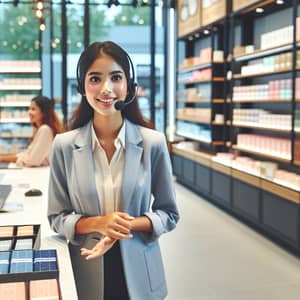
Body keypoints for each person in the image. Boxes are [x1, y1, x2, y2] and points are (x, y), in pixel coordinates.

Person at [47, 41, 179, 300]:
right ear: (82, 87)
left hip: (141, 270)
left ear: (128, 86)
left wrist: (124, 225)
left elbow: (169, 214)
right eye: (95, 78)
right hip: (87, 266)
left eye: (116, 77)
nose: (106, 89)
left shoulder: (152, 142)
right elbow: (57, 218)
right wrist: (99, 223)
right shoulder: (64, 146)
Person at [0, 95, 63, 167]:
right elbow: (27, 154)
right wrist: (3, 158)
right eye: (29, 109)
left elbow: (32, 161)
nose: (29, 112)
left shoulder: (45, 130)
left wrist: (20, 160)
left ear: (43, 113)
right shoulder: (40, 129)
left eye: (33, 109)